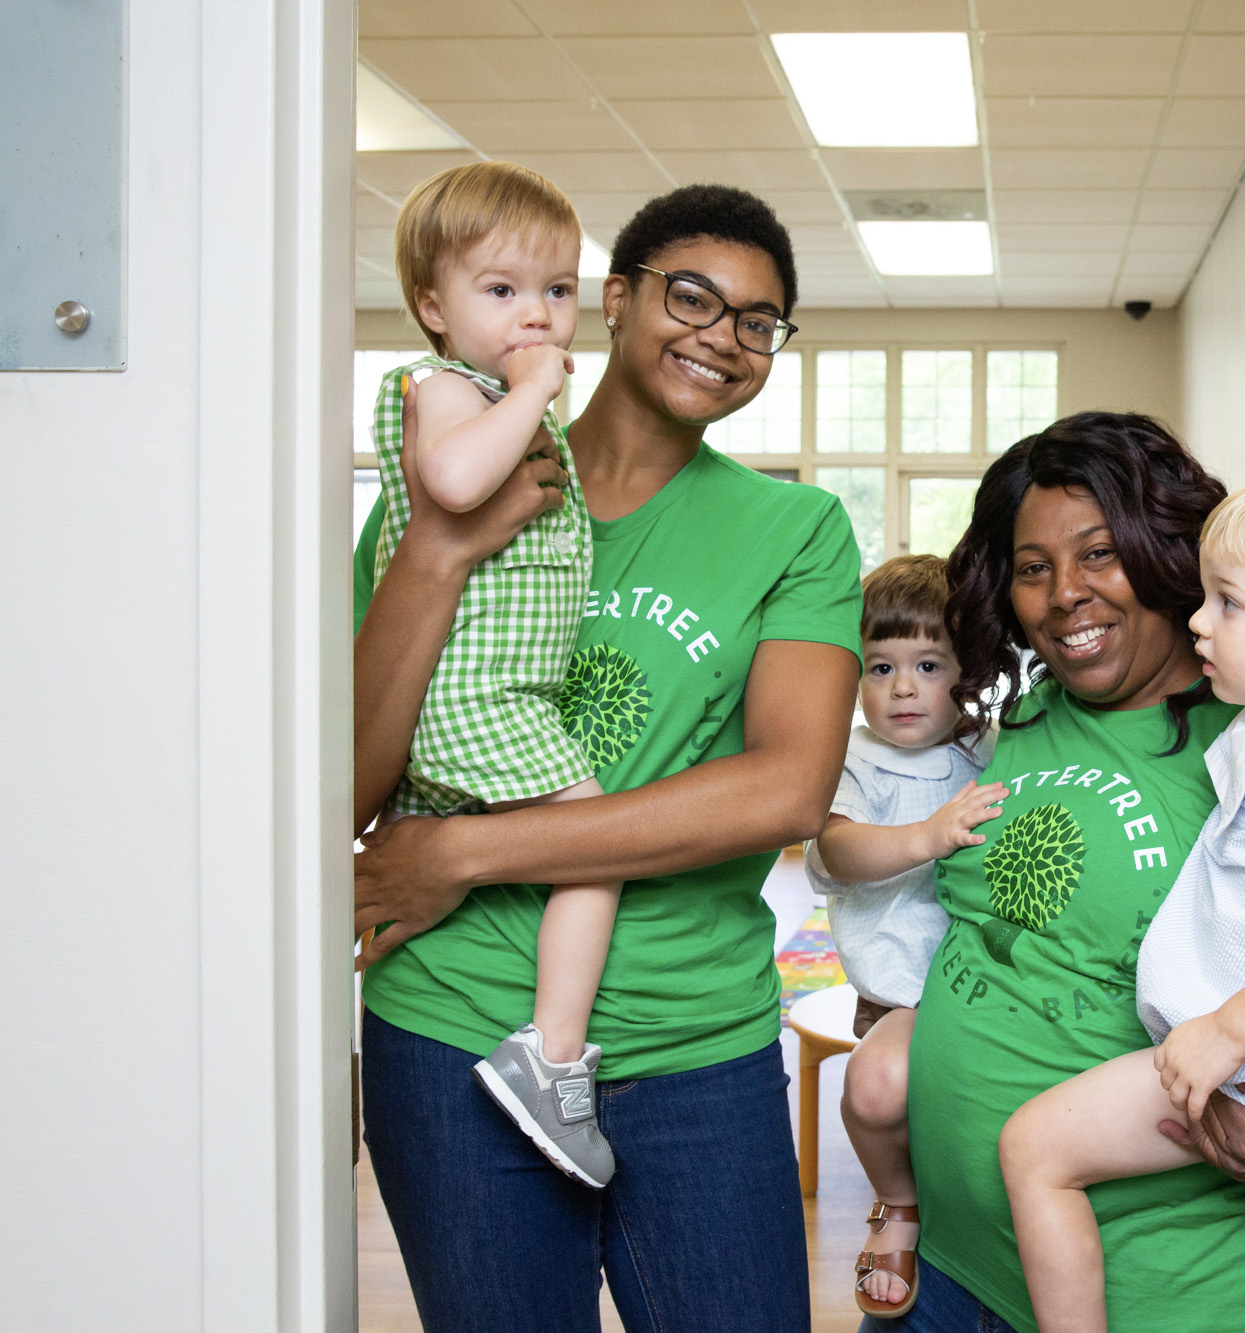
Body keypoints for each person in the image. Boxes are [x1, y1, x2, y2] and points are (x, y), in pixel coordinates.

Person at [352, 184, 857, 1333]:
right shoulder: (433, 482)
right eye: (692, 296)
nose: (722, 336)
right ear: (615, 303)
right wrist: (436, 550)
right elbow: (348, 784)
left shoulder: (795, 530)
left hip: (696, 1046)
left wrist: (467, 852)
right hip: (452, 1028)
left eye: (757, 320)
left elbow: (782, 789)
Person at [861, 413, 1245, 1333]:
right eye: (1034, 568)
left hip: (1179, 1293)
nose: (1065, 593)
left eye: (1100, 553)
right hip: (954, 1273)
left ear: (1161, 550)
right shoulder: (1022, 716)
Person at [368, 159, 622, 1188]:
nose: (538, 317)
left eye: (557, 291)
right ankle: (551, 1056)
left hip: (501, 691)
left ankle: (549, 1049)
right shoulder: (441, 389)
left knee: (581, 846)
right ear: (433, 306)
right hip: (472, 693)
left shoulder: (504, 399)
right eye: (502, 290)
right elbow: (456, 482)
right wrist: (527, 391)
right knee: (595, 841)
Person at [802, 554, 1009, 1319]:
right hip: (901, 994)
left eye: (927, 664)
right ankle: (897, 1204)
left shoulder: (984, 746)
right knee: (876, 1086)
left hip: (988, 990)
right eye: (880, 666)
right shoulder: (850, 756)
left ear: (968, 669)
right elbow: (837, 849)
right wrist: (926, 835)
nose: (901, 688)